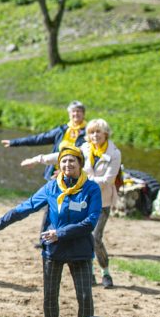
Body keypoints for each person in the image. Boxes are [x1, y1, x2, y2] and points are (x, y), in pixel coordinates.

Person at [0, 147, 102, 317]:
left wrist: (60, 233)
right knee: (50, 295)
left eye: (72, 161)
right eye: (64, 161)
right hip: (54, 250)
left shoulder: (91, 188)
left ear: (80, 164)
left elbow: (90, 223)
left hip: (81, 250)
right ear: (59, 164)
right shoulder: (52, 187)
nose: (67, 164)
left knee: (85, 296)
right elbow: (25, 208)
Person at [20, 118, 121, 288]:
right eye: (91, 132)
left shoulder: (114, 153)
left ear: (105, 134)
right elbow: (62, 156)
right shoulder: (85, 148)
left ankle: (106, 272)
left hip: (102, 202)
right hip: (81, 200)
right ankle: (90, 273)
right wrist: (37, 159)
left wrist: (76, 176)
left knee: (96, 238)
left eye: (98, 132)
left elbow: (108, 180)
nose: (94, 135)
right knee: (83, 235)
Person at [1, 100, 87, 182]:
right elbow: (39, 139)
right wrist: (14, 142)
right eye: (73, 111)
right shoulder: (62, 130)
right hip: (55, 172)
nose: (76, 113)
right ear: (69, 114)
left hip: (76, 173)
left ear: (83, 114)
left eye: (79, 111)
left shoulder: (89, 132)